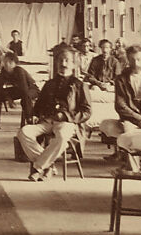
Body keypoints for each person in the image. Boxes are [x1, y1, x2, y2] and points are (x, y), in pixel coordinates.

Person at [16, 48, 91, 181]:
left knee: (62, 137)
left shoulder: (79, 85)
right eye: (60, 60)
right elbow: (39, 105)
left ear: (73, 64)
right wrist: (35, 114)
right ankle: (48, 165)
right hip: (47, 121)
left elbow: (86, 112)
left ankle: (39, 167)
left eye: (67, 60)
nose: (63, 63)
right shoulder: (49, 84)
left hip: (67, 123)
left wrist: (67, 116)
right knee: (24, 132)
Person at [98, 44, 141, 162]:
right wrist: (140, 119)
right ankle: (134, 166)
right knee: (128, 132)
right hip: (131, 120)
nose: (136, 63)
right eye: (132, 60)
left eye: (139, 59)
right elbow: (120, 106)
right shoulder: (120, 79)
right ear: (128, 60)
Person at [0, 51, 39, 130]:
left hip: (32, 89)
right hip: (19, 89)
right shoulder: (4, 70)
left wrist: (10, 100)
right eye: (5, 61)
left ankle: (30, 120)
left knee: (26, 97)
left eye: (9, 62)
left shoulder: (19, 71)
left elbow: (24, 90)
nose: (6, 64)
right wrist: (8, 98)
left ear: (14, 63)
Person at [85, 39, 121, 103]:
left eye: (107, 48)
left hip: (110, 86)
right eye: (103, 47)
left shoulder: (115, 62)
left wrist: (110, 83)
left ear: (110, 49)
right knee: (94, 90)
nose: (105, 50)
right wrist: (98, 83)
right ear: (100, 48)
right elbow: (90, 75)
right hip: (97, 86)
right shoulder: (95, 60)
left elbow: (118, 77)